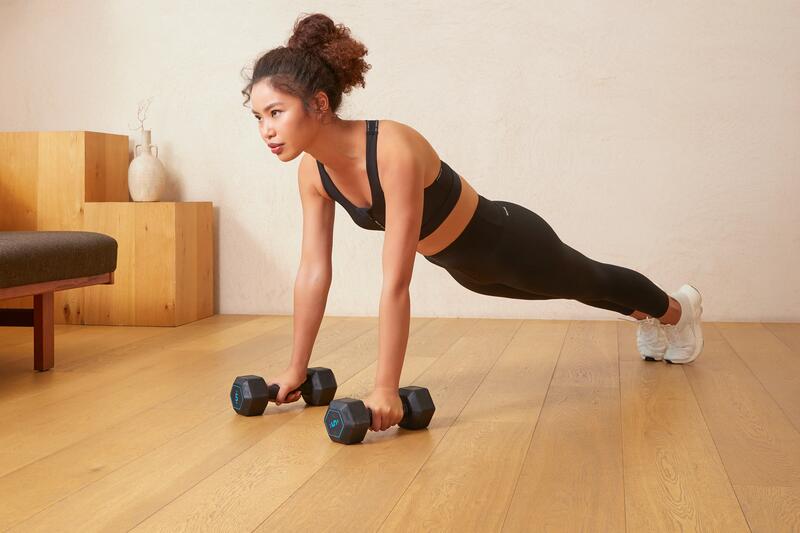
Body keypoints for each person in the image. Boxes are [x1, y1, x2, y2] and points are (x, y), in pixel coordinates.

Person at [241, 13, 704, 433]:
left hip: (510, 241)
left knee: (590, 279)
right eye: (259, 117)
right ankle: (648, 315)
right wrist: (295, 369)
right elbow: (313, 272)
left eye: (276, 113)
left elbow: (396, 279)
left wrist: (386, 387)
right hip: (467, 271)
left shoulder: (391, 150)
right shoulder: (313, 174)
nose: (266, 130)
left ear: (318, 104)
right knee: (580, 289)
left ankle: (679, 310)